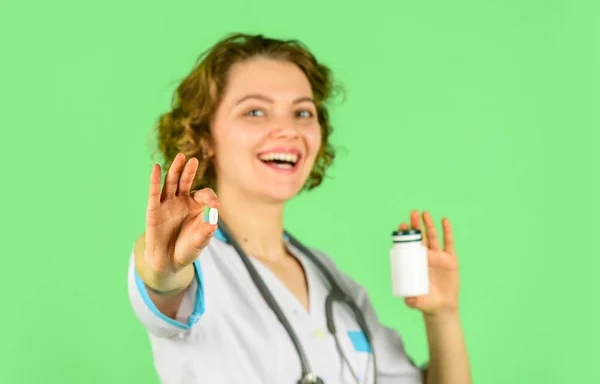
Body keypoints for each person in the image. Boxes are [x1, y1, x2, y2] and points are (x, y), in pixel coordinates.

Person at [127, 32, 471, 384]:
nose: (287, 129)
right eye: (255, 111)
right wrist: (163, 268)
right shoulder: (196, 263)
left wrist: (443, 314)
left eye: (303, 112)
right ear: (204, 137)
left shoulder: (334, 282)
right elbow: (163, 281)